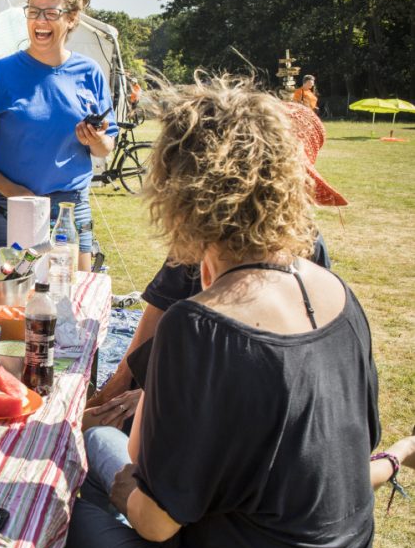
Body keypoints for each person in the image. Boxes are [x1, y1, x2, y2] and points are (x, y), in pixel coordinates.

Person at [37, 76, 380, 548]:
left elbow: (155, 520)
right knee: (97, 442)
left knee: (44, 514)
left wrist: (123, 484)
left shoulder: (200, 324)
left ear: (179, 192)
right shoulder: (339, 296)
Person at [86, 101, 346, 427]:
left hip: (225, 413)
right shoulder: (204, 232)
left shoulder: (311, 254)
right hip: (190, 389)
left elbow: (290, 366)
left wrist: (163, 397)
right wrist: (116, 390)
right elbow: (158, 308)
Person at [0, 0, 118, 270]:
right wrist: (10, 190)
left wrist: (96, 140)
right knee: (12, 305)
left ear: (71, 19)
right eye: (33, 11)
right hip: (10, 208)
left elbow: (106, 147)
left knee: (68, 302)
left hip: (69, 211)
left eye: (50, 13)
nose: (39, 20)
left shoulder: (90, 72)